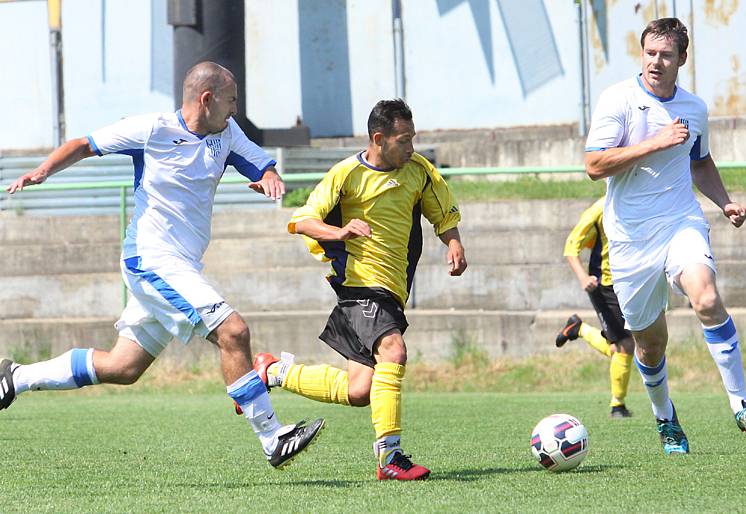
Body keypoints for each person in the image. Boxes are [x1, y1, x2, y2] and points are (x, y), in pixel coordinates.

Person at [0, 61, 324, 468]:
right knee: (233, 331)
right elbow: (86, 143)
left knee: (124, 366)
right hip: (151, 259)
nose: (235, 110)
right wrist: (42, 170)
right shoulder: (152, 129)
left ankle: (16, 378)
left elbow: (258, 162)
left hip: (179, 265)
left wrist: (270, 177)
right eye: (232, 101)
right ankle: (272, 437)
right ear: (206, 100)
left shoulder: (226, 132)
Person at [247, 99, 466, 480]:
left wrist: (453, 241)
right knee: (393, 351)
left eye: (413, 138)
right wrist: (341, 231)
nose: (411, 147)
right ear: (378, 139)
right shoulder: (346, 174)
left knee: (360, 389)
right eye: (403, 140)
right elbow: (303, 221)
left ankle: (274, 372)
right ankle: (390, 459)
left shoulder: (418, 171)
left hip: (393, 291)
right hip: (359, 286)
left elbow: (441, 210)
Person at [584, 18, 746, 454]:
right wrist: (657, 141)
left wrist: (723, 202)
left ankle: (742, 404)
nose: (656, 61)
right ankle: (666, 419)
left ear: (682, 59)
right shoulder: (619, 99)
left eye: (666, 54)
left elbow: (700, 161)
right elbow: (594, 166)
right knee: (650, 345)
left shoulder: (694, 108)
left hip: (679, 221)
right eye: (650, 52)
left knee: (706, 298)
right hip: (629, 238)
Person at [556, 196, 635, 419]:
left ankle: (579, 329)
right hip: (603, 284)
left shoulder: (635, 200)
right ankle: (617, 406)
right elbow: (572, 246)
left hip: (628, 283)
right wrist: (583, 278)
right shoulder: (599, 210)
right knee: (626, 345)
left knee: (618, 348)